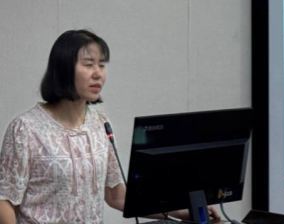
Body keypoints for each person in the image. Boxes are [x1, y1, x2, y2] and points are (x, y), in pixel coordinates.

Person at [0, 30, 221, 224]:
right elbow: (5, 201)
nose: (98, 73)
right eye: (89, 65)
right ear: (63, 69)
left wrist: (179, 213)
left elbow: (116, 196)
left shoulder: (100, 123)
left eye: (102, 65)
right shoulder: (25, 129)